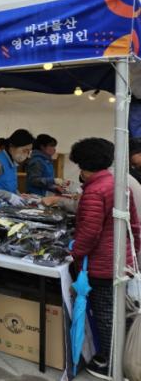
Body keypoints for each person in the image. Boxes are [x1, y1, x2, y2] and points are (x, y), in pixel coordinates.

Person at [67, 138, 140, 379]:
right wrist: (132, 252)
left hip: (103, 264)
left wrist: (73, 254)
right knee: (118, 311)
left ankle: (112, 364)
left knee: (106, 314)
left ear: (84, 166)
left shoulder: (94, 191)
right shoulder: (119, 184)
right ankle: (119, 356)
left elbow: (89, 233)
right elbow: (134, 225)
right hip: (120, 260)